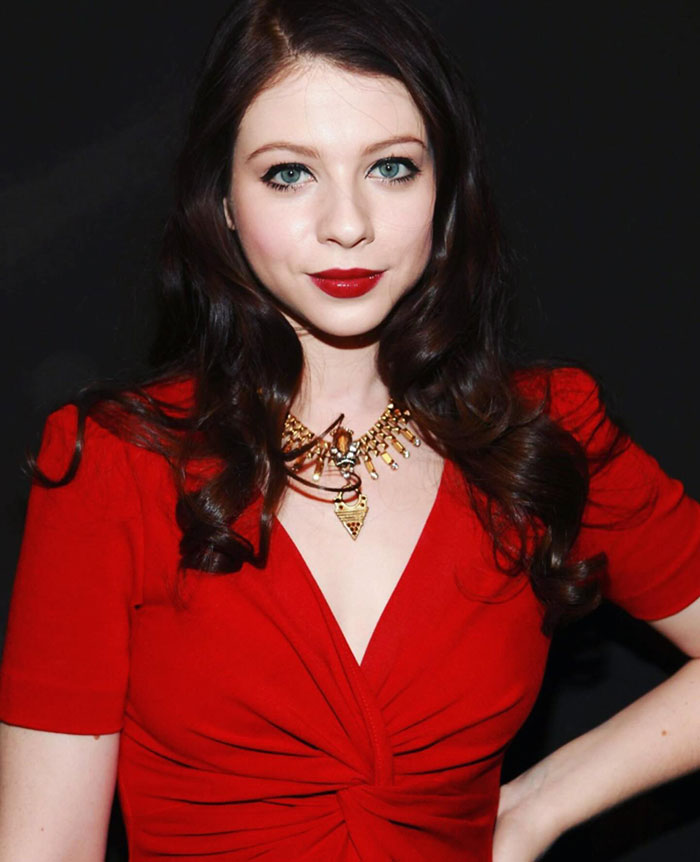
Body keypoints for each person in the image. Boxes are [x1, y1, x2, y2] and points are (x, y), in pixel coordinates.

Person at [0, 0, 699, 859]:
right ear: (222, 199)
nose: (347, 224)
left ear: (445, 190)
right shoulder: (114, 463)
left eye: (391, 168)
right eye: (290, 173)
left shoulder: (542, 434)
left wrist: (538, 805)